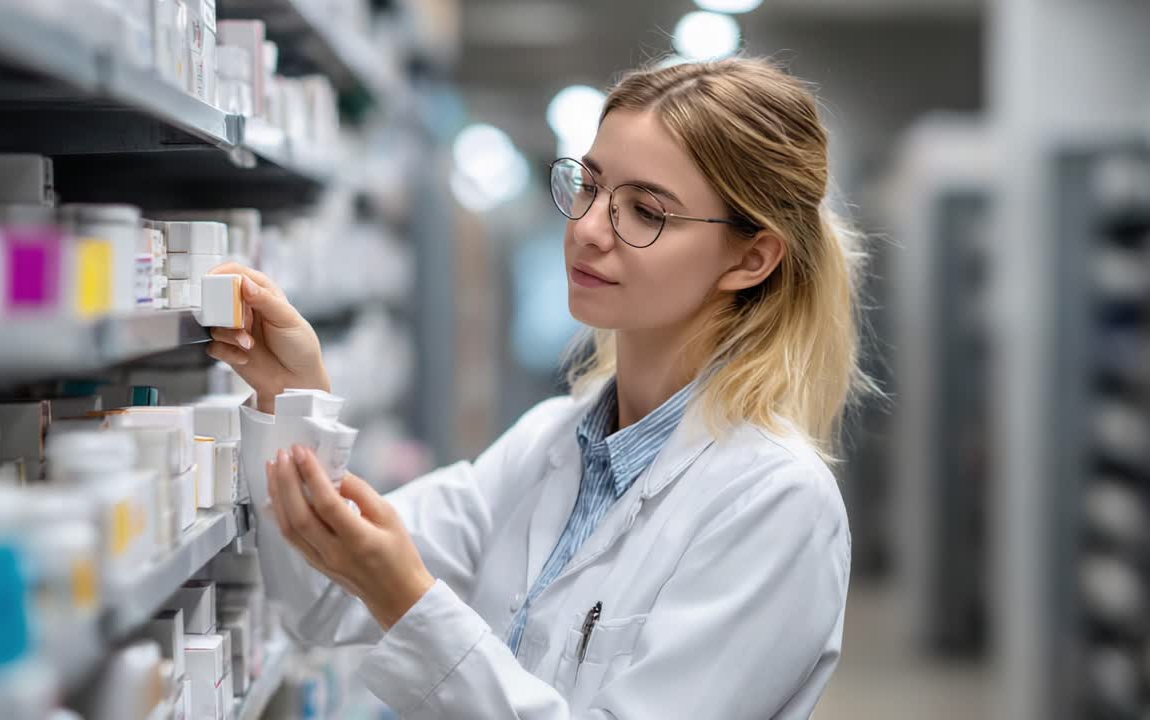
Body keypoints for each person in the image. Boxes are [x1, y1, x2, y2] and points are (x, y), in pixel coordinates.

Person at [206, 56, 870, 719]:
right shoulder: (551, 441)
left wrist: (412, 604)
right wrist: (293, 399)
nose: (586, 229)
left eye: (644, 211)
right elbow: (327, 597)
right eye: (589, 185)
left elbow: (390, 595)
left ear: (750, 257)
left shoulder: (775, 504)